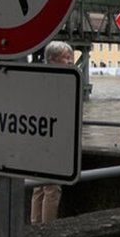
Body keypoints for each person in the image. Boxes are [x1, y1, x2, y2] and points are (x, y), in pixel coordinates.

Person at [30, 41, 74, 224]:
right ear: (52, 60)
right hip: (50, 139)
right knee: (52, 188)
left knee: (38, 187)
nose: (70, 61)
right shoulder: (58, 81)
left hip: (36, 138)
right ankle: (48, 230)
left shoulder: (38, 78)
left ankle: (35, 226)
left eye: (71, 57)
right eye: (66, 58)